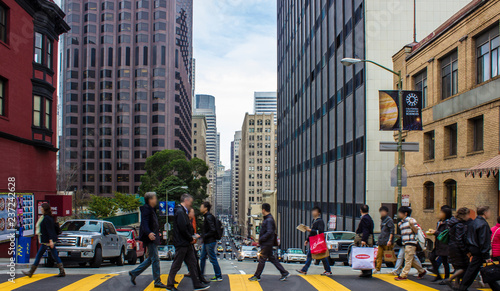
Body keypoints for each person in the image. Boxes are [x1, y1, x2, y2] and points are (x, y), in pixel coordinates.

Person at [166, 194, 209, 291]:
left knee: (193, 263)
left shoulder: (181, 211)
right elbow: (183, 228)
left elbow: (185, 228)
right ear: (186, 200)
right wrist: (191, 238)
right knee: (177, 264)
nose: (191, 204)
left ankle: (197, 284)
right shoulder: (180, 212)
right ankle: (170, 285)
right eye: (190, 202)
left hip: (186, 243)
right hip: (182, 243)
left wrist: (190, 238)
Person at [129, 192, 165, 288]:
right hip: (150, 238)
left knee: (151, 259)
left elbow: (152, 223)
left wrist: (157, 232)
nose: (156, 200)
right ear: (150, 200)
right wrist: (149, 233)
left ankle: (134, 273)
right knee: (155, 260)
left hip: (153, 236)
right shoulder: (146, 209)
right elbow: (144, 223)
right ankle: (157, 281)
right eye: (154, 198)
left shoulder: (151, 209)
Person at [248, 203, 289, 282]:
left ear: (263, 210)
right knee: (272, 258)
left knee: (262, 259)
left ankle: (257, 276)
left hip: (267, 243)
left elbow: (270, 232)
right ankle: (284, 272)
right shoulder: (268, 219)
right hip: (268, 243)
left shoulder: (269, 220)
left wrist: (262, 239)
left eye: (262, 209)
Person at [23, 203, 65, 278]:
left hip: (47, 241)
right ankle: (62, 271)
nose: (40, 209)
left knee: (39, 255)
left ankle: (31, 272)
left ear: (44, 209)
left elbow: (49, 230)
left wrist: (50, 240)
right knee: (54, 254)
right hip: (47, 240)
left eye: (41, 208)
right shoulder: (47, 217)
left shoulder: (46, 218)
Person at [459, 206, 493, 291]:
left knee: (474, 270)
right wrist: (486, 255)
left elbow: (465, 236)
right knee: (473, 270)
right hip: (479, 251)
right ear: (485, 213)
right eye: (489, 212)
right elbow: (483, 240)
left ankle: (463, 287)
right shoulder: (483, 224)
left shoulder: (473, 222)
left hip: (474, 249)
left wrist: (467, 249)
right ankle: (462, 287)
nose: (490, 214)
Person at [296, 206, 332, 275]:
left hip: (318, 241)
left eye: (315, 211)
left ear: (318, 213)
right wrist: (307, 240)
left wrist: (310, 230)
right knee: (319, 255)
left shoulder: (320, 221)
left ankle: (305, 269)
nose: (313, 212)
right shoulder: (314, 221)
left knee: (320, 255)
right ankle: (327, 270)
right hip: (314, 241)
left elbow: (320, 231)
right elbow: (312, 232)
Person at [394, 206, 426, 281]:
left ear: (405, 213)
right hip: (405, 242)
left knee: (408, 259)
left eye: (400, 213)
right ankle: (422, 271)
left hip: (411, 242)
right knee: (412, 259)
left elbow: (416, 231)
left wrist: (411, 224)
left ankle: (403, 275)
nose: (399, 214)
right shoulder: (401, 222)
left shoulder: (411, 220)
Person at [444, 207, 470, 289]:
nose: (469, 217)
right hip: (457, 248)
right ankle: (450, 279)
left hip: (452, 247)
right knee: (465, 267)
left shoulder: (452, 223)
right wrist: (465, 250)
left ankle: (456, 284)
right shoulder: (460, 225)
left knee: (458, 266)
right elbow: (459, 239)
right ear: (464, 215)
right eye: (468, 215)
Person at [199, 202, 222, 282]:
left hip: (210, 241)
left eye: (201, 206)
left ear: (206, 208)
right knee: (202, 258)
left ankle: (218, 276)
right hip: (207, 241)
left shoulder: (208, 217)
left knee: (212, 258)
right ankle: (201, 275)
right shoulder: (207, 216)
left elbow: (213, 230)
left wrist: (204, 235)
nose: (200, 208)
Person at [429, 206, 452, 283]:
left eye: (441, 212)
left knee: (445, 262)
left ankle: (446, 278)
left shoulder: (448, 223)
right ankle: (438, 275)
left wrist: (435, 232)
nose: (440, 214)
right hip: (438, 244)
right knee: (431, 257)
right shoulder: (440, 222)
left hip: (444, 245)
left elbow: (445, 234)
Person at [354, 204, 374, 278]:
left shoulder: (365, 218)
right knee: (367, 254)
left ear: (361, 210)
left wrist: (363, 240)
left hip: (365, 238)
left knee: (364, 254)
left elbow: (365, 229)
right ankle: (366, 271)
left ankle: (366, 271)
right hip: (368, 238)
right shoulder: (369, 218)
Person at [374, 206, 395, 274]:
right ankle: (377, 269)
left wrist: (390, 240)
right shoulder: (382, 220)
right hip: (381, 241)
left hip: (387, 241)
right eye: (381, 212)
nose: (382, 213)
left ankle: (398, 268)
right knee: (378, 256)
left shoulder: (389, 220)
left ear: (386, 212)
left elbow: (392, 231)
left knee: (390, 256)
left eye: (383, 212)